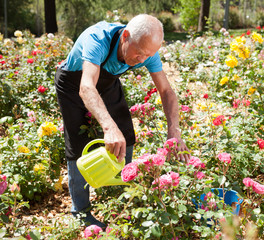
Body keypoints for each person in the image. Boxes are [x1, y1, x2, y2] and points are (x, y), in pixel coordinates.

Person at [54, 14, 190, 229]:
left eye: (149, 55)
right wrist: (108, 127)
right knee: (78, 146)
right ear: (125, 36)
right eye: (140, 53)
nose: (143, 60)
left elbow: (167, 91)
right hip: (74, 84)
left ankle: (123, 198)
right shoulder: (97, 39)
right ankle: (80, 211)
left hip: (107, 83)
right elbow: (86, 87)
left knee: (125, 134)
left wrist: (174, 130)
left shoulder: (146, 52)